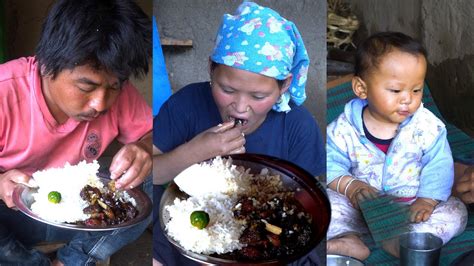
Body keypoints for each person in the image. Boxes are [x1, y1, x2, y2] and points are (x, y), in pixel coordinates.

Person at [152, 2, 325, 265]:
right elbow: (151, 172)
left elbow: (307, 203)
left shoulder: (297, 126)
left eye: (259, 96)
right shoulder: (186, 105)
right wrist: (196, 151)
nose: (241, 106)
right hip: (193, 234)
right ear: (211, 68)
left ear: (284, 85)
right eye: (228, 90)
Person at [0, 0, 152, 265]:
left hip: (82, 217)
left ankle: (72, 260)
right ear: (47, 64)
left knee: (155, 180)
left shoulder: (119, 94)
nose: (101, 104)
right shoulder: (5, 91)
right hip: (13, 217)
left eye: (114, 87)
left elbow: (152, 136)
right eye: (86, 86)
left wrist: (145, 148)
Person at [325, 32, 468, 260]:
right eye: (395, 90)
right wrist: (350, 186)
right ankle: (348, 238)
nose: (407, 99)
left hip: (412, 207)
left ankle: (409, 239)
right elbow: (329, 163)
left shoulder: (428, 126)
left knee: (456, 213)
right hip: (360, 207)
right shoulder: (343, 128)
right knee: (327, 201)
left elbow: (439, 164)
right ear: (362, 89)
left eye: (416, 90)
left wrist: (428, 200)